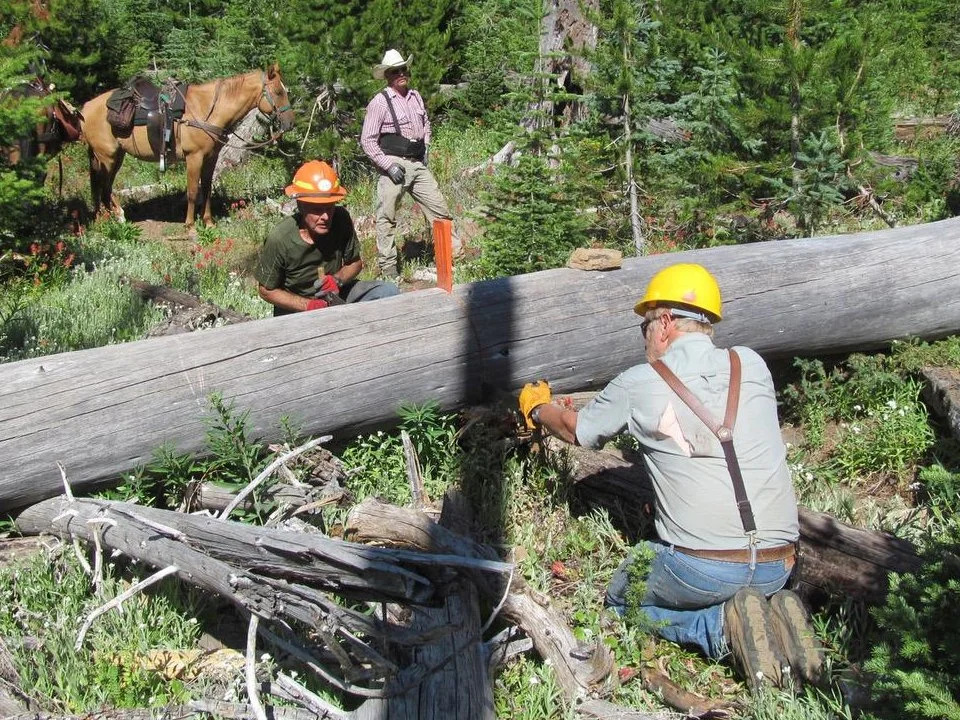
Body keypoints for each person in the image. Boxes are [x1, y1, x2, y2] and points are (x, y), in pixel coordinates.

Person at [518, 263, 824, 691]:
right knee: (747, 575)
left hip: (704, 569)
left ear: (664, 323)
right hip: (778, 561)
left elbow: (576, 430)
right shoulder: (752, 364)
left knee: (622, 599)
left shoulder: (639, 382)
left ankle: (719, 628)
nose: (643, 337)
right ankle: (775, 612)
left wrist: (537, 408)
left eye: (644, 326)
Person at [360, 49, 461, 279]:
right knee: (387, 216)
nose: (401, 74)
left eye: (404, 69)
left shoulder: (415, 96)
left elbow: (426, 125)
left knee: (439, 210)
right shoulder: (380, 102)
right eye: (395, 71)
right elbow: (367, 140)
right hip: (394, 162)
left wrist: (426, 147)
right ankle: (389, 269)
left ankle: (453, 258)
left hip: (418, 162)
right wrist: (388, 166)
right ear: (387, 75)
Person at [256, 160, 400, 316]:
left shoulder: (341, 219)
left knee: (388, 292)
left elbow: (355, 263)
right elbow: (266, 291)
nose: (325, 216)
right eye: (317, 210)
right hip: (297, 307)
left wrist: (337, 280)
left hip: (336, 294)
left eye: (329, 207)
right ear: (301, 205)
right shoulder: (281, 238)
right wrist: (308, 306)